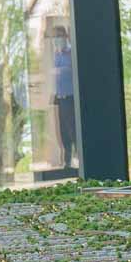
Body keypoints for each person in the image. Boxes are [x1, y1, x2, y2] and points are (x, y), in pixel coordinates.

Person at [49, 26, 75, 170]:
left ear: (65, 37)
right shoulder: (56, 54)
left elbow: (70, 69)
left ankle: (77, 159)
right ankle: (67, 162)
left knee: (72, 129)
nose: (57, 39)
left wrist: (58, 71)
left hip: (71, 97)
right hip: (61, 97)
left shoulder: (70, 53)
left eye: (59, 36)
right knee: (63, 130)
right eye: (55, 37)